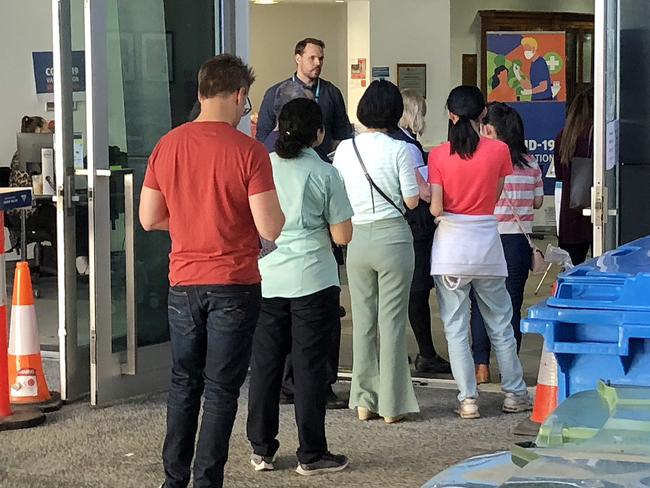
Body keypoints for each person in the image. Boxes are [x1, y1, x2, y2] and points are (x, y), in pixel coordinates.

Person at [139, 54, 285, 488]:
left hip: (182, 283)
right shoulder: (250, 151)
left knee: (183, 383)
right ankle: (207, 481)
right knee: (221, 390)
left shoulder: (168, 145)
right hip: (235, 284)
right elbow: (270, 225)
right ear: (240, 95)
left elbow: (149, 218)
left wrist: (189, 221)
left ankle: (173, 479)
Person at [246, 98, 353, 476]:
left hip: (267, 275)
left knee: (265, 365)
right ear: (319, 134)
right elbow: (342, 235)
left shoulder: (261, 168)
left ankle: (261, 449)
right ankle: (311, 453)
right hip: (313, 278)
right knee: (309, 368)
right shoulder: (325, 172)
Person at [428, 85, 530, 419]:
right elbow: (496, 197)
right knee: (500, 322)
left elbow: (437, 207)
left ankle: (468, 399)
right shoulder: (499, 151)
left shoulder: (439, 155)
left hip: (451, 248)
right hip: (487, 244)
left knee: (456, 327)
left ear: (450, 114)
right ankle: (514, 393)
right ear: (483, 114)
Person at [333, 80, 421, 424]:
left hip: (356, 239)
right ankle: (392, 404)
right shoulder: (399, 150)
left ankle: (363, 401)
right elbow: (412, 200)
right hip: (393, 238)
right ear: (394, 112)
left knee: (363, 322)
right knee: (392, 322)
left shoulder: (344, 150)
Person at [469, 102, 544, 384]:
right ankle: (509, 367)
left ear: (490, 130)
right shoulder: (531, 162)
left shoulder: (485, 160)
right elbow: (537, 201)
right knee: (510, 306)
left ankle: (481, 366)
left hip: (487, 237)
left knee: (479, 303)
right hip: (517, 244)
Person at [387, 89, 451, 375]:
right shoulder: (409, 147)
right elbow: (422, 192)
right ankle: (426, 352)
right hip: (417, 226)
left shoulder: (392, 141)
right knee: (417, 291)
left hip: (399, 224)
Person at [256, 38, 352, 162]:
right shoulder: (276, 92)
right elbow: (263, 135)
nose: (317, 63)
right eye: (312, 58)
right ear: (298, 58)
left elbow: (342, 134)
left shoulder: (332, 92)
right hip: (284, 164)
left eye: (321, 58)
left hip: (322, 164)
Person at [553, 89, 594, 266]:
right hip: (595, 209)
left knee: (572, 267)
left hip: (570, 213)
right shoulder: (595, 135)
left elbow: (560, 175)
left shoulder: (563, 136)